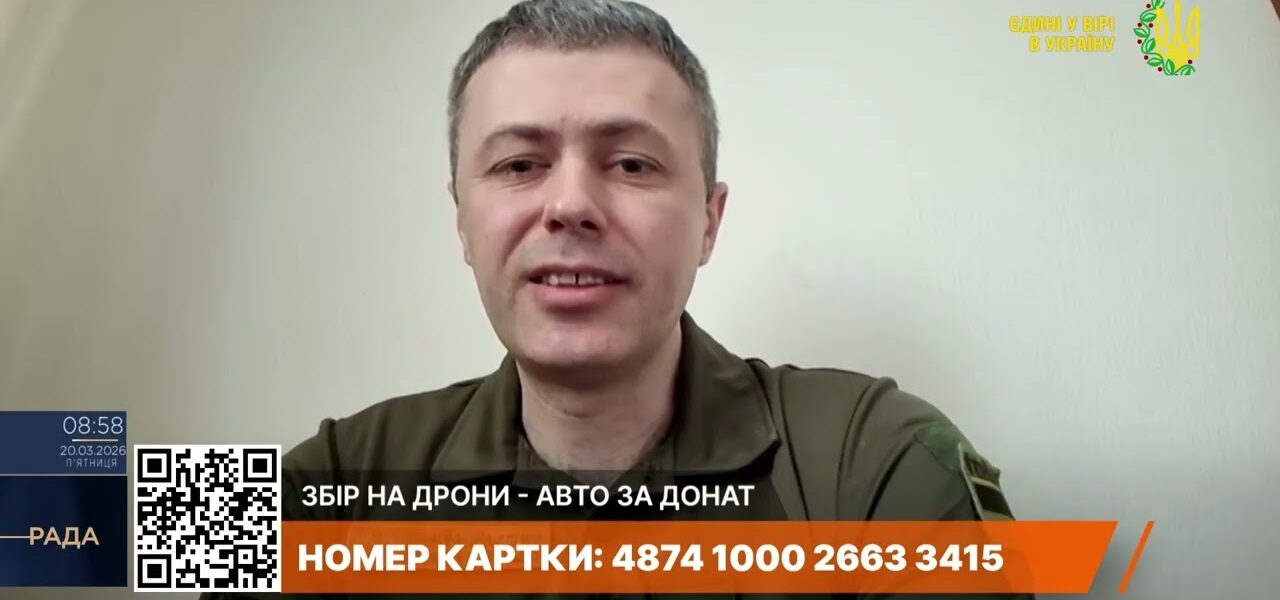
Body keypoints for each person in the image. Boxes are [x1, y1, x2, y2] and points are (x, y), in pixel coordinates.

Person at [205, 0, 1025, 597]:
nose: (570, 204)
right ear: (461, 221)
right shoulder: (329, 479)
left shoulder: (878, 463)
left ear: (709, 223)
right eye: (519, 165)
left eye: (631, 164)